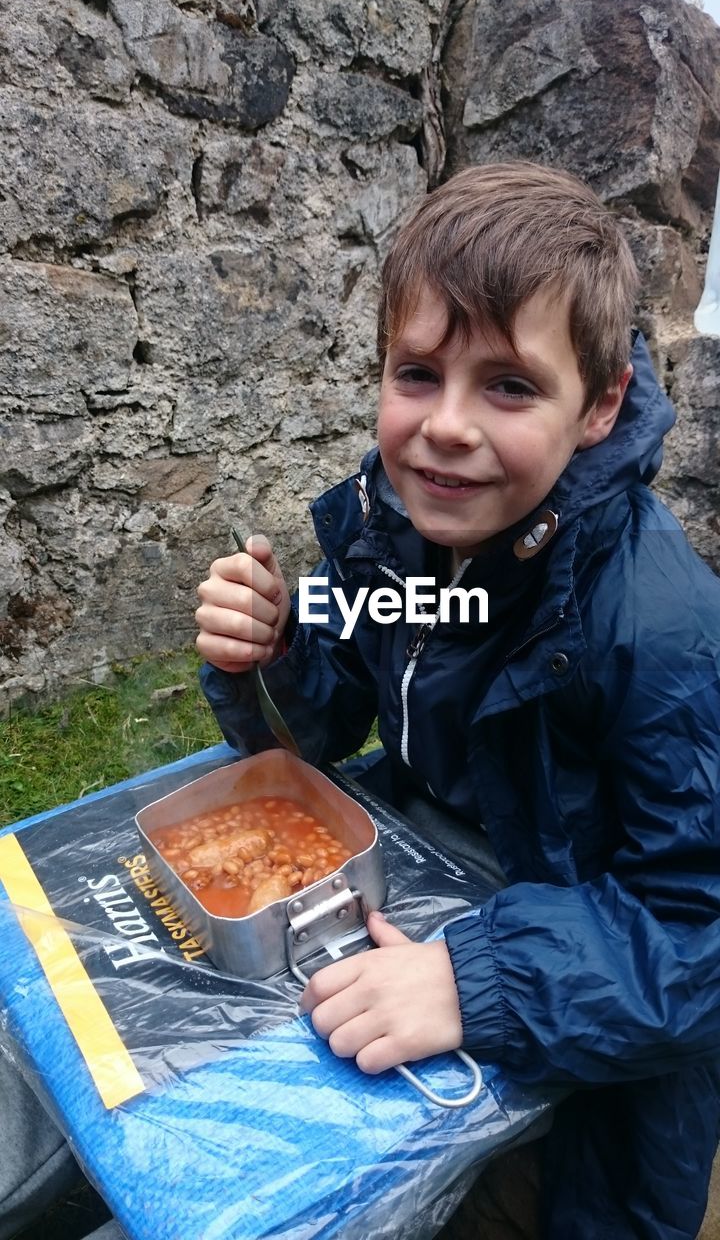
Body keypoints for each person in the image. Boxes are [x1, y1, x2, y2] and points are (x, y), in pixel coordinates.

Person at [195, 161, 720, 1240]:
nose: (446, 426)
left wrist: (476, 984)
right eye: (418, 372)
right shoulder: (393, 525)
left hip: (592, 1071)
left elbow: (700, 927)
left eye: (510, 386)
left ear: (600, 403)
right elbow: (334, 725)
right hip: (408, 915)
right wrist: (276, 653)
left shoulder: (661, 627)